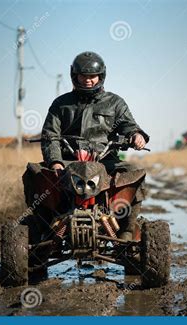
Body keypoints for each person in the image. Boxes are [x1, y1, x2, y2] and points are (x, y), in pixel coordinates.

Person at [40, 51, 149, 241]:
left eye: (93, 76)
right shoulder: (61, 104)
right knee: (37, 174)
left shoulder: (115, 103)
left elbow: (129, 126)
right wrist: (55, 162)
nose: (89, 80)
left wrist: (136, 136)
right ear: (75, 76)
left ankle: (127, 229)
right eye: (84, 76)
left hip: (105, 162)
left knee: (135, 172)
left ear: (101, 76)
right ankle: (43, 230)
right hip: (68, 162)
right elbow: (50, 135)